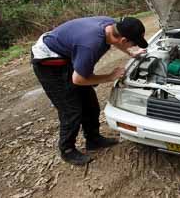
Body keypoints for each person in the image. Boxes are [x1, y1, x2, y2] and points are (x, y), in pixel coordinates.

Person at [31, 16, 148, 165]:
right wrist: (110, 76)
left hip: (67, 55)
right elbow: (78, 80)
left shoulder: (112, 26)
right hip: (48, 62)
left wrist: (132, 53)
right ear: (124, 39)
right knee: (71, 110)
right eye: (134, 43)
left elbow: (118, 41)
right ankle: (67, 150)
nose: (134, 45)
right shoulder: (91, 45)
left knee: (90, 103)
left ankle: (93, 139)